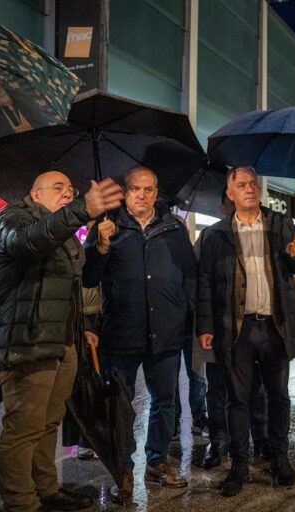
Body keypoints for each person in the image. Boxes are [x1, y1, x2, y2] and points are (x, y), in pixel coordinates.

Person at [0, 171, 123, 512]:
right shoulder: (11, 217)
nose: (67, 193)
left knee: (48, 424)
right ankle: (21, 501)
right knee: (24, 427)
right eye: (57, 188)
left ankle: (46, 489)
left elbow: (74, 287)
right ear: (34, 193)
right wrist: (79, 209)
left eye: (70, 189)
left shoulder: (64, 234)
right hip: (26, 343)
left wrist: (82, 326)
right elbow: (29, 241)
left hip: (62, 343)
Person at [83, 166, 196, 503]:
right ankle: (123, 468)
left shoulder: (174, 228)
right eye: (136, 189)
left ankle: (157, 461)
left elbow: (189, 274)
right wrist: (100, 246)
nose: (143, 195)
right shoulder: (108, 226)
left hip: (166, 332)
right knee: (122, 405)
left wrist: (184, 311)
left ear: (156, 191)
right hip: (121, 332)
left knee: (166, 401)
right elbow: (89, 278)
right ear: (126, 191)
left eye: (149, 189)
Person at [197, 166, 295, 497]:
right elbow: (205, 282)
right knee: (238, 399)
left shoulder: (281, 224)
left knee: (279, 396)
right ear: (230, 194)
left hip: (274, 326)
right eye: (242, 185)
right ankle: (239, 465)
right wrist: (205, 326)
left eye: (253, 184)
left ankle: (279, 457)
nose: (250, 189)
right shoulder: (216, 234)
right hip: (237, 329)